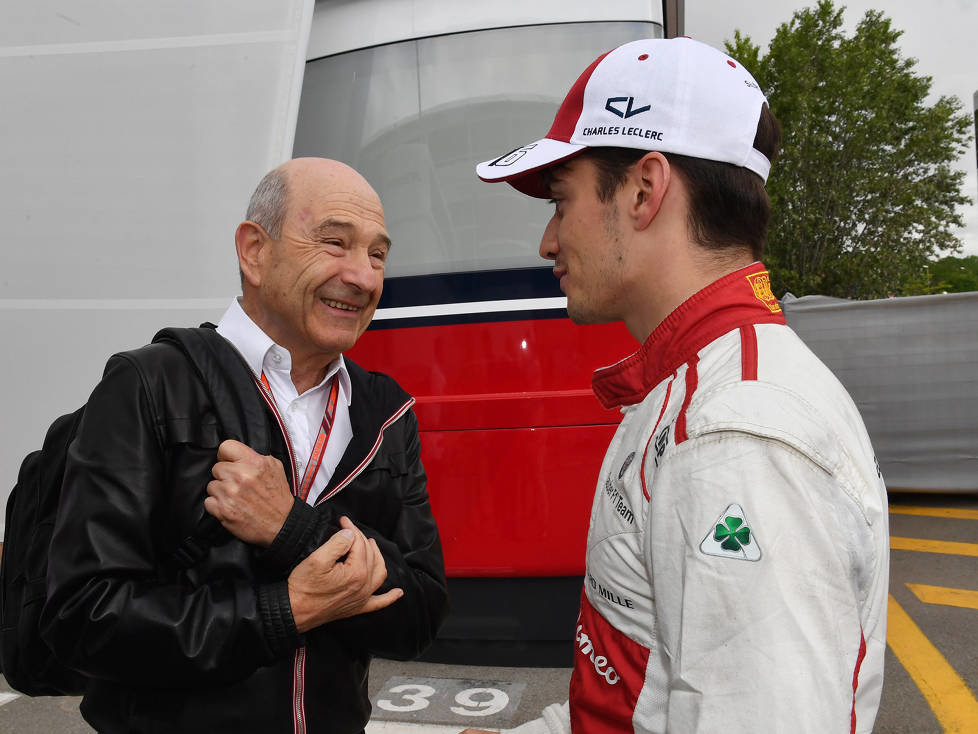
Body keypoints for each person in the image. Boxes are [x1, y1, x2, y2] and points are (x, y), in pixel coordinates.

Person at [468, 37, 889, 733]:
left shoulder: (735, 431)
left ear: (643, 189)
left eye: (560, 200)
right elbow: (639, 697)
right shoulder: (700, 392)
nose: (547, 241)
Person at [40, 158, 448, 733]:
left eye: (377, 254)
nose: (362, 276)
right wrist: (284, 612)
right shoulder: (151, 384)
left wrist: (293, 530)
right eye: (335, 242)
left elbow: (421, 616)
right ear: (255, 251)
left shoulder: (384, 411)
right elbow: (83, 619)